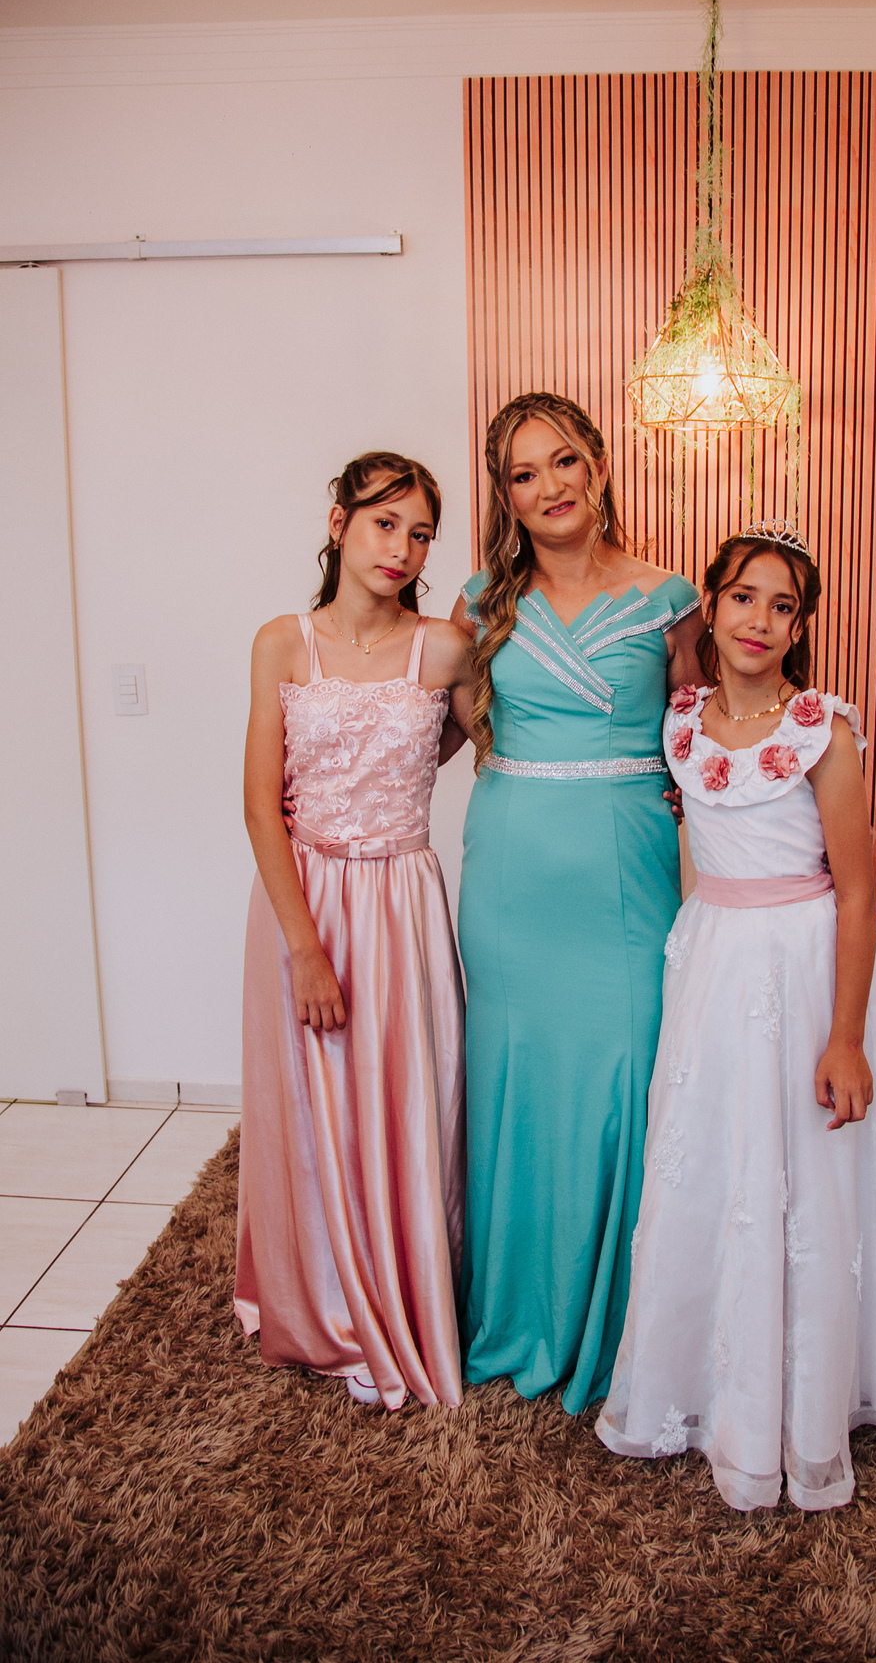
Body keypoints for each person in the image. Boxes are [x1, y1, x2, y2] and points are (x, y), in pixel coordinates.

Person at [596, 523, 876, 1510]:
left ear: (801, 626)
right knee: (721, 1164)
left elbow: (856, 893)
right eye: (743, 598)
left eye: (783, 607)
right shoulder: (680, 721)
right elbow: (690, 842)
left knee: (816, 1178)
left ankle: (821, 1386)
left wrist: (846, 1037)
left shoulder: (824, 729)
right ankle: (714, 1377)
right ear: (711, 606)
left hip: (810, 966)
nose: (760, 621)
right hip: (718, 965)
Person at [451, 392, 703, 1414]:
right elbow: (444, 727)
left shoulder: (669, 598)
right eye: (524, 474)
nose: (549, 486)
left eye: (563, 461)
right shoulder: (481, 602)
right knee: (518, 1082)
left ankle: (629, 1320)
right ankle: (520, 1307)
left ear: (597, 464)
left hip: (626, 871)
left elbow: (704, 732)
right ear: (506, 497)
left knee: (629, 1076)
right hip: (512, 874)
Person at [236, 451, 475, 1410]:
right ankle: (321, 1298)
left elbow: (490, 745)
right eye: (384, 523)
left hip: (403, 901)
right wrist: (304, 949)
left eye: (421, 534)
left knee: (407, 1093)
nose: (402, 548)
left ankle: (407, 1287)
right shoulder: (282, 643)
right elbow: (260, 807)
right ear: (338, 523)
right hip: (304, 900)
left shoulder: (444, 649)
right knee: (311, 1099)